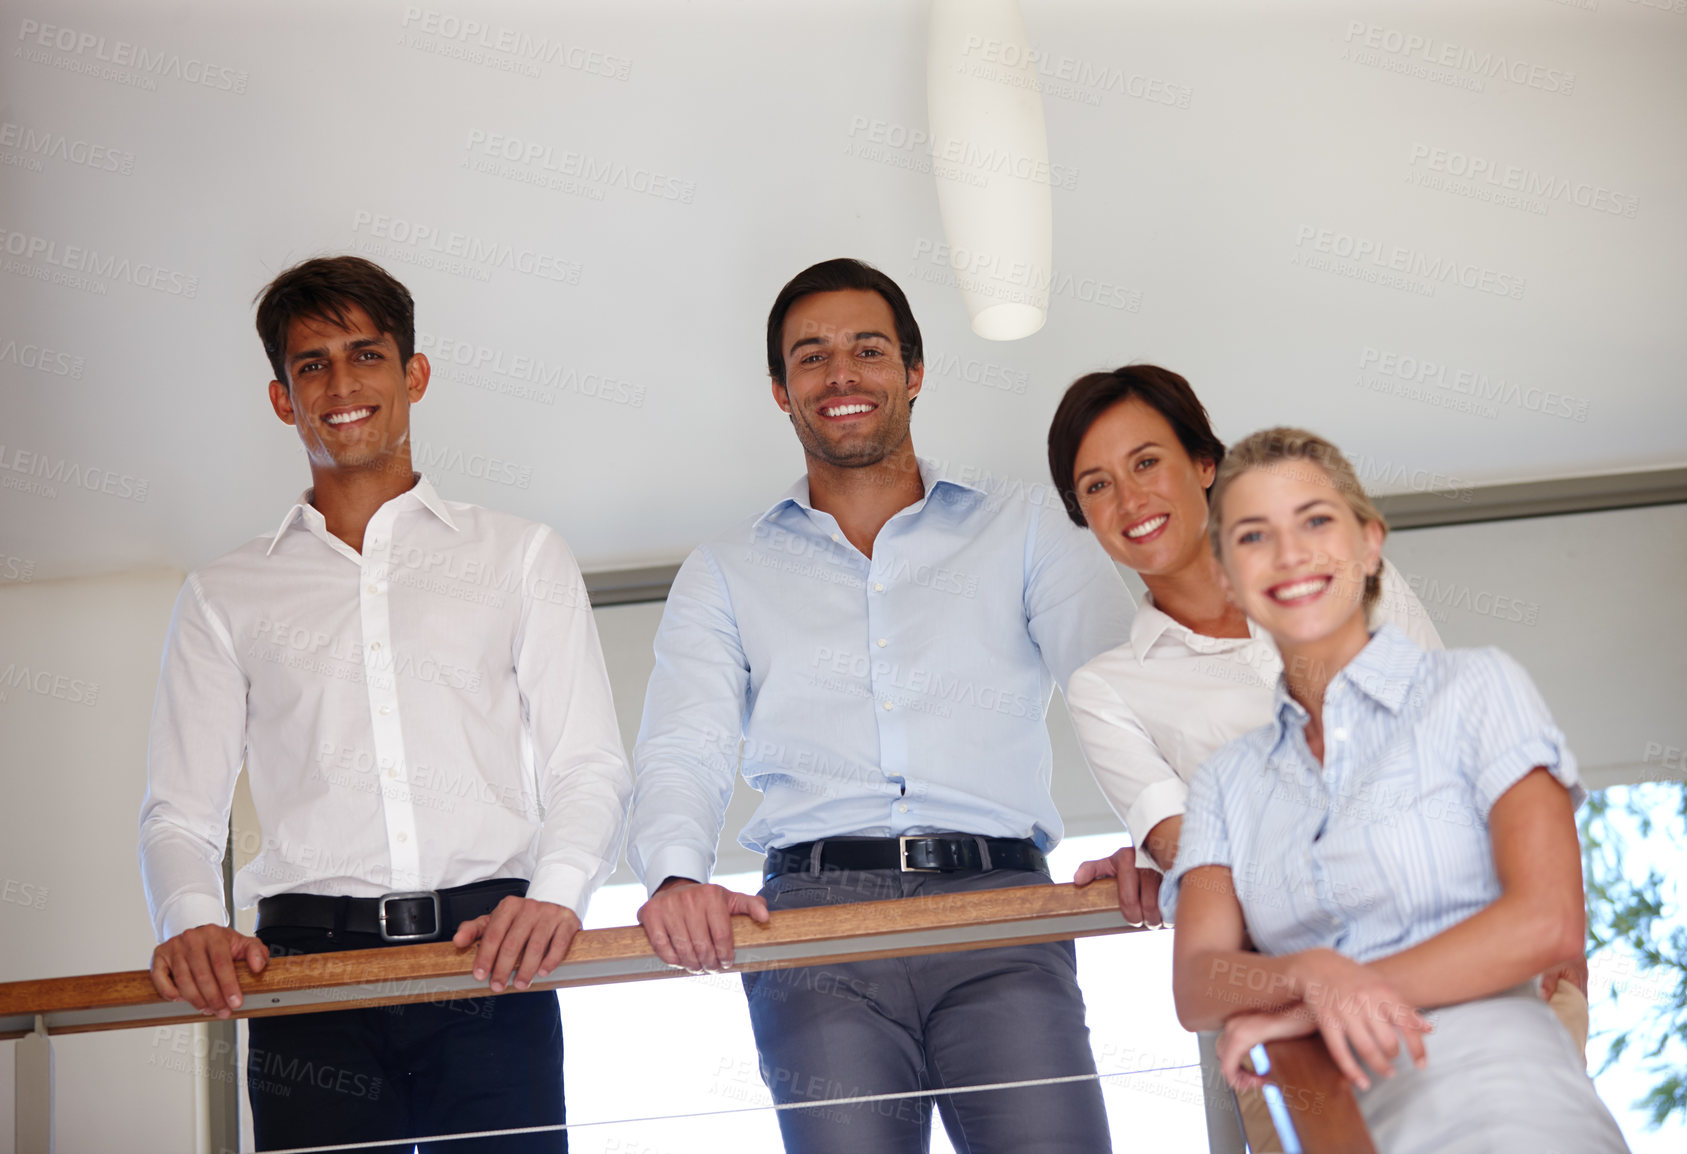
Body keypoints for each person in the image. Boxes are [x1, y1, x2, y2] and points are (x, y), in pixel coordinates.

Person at [626, 258, 1135, 1153]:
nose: (842, 374)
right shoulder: (725, 571)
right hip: (816, 932)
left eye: (868, 349)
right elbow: (685, 743)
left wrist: (1161, 829)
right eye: (812, 357)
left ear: (914, 370)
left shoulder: (1023, 526)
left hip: (1003, 911)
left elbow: (1115, 687)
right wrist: (674, 872)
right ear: (781, 392)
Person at [138, 256, 632, 1152]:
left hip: (490, 961)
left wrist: (558, 896)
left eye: (365, 354)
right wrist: (190, 921)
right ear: (285, 399)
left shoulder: (521, 557)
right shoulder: (224, 593)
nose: (341, 384)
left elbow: (587, 765)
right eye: (312, 364)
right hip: (305, 979)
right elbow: (180, 811)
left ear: (414, 374)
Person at [1160, 427, 1628, 1152]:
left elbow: (1548, 921)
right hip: (1331, 1123)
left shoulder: (1477, 687)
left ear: (1371, 543)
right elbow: (1198, 981)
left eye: (1317, 520)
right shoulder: (1228, 780)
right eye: (1254, 536)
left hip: (1511, 1104)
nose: (1290, 554)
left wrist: (1320, 993)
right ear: (1224, 575)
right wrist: (1310, 974)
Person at [1044, 365, 1451, 1150]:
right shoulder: (1106, 689)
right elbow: (1192, 860)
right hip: (1291, 1015)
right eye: (1095, 486)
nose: (1129, 501)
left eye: (1146, 463)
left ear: (1205, 466)